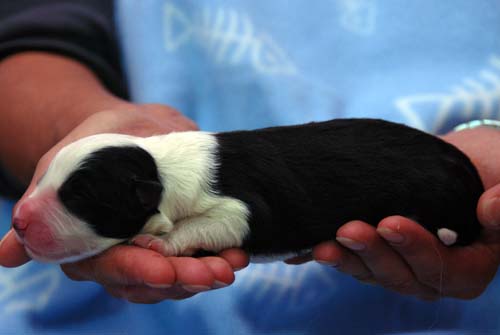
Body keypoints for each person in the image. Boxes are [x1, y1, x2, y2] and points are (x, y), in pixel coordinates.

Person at [0, 0, 500, 333]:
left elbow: (235, 220)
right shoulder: (175, 168)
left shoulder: (211, 182)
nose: (30, 214)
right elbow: (29, 38)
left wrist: (175, 242)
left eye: (70, 196)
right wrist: (66, 123)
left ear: (144, 197)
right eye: (50, 184)